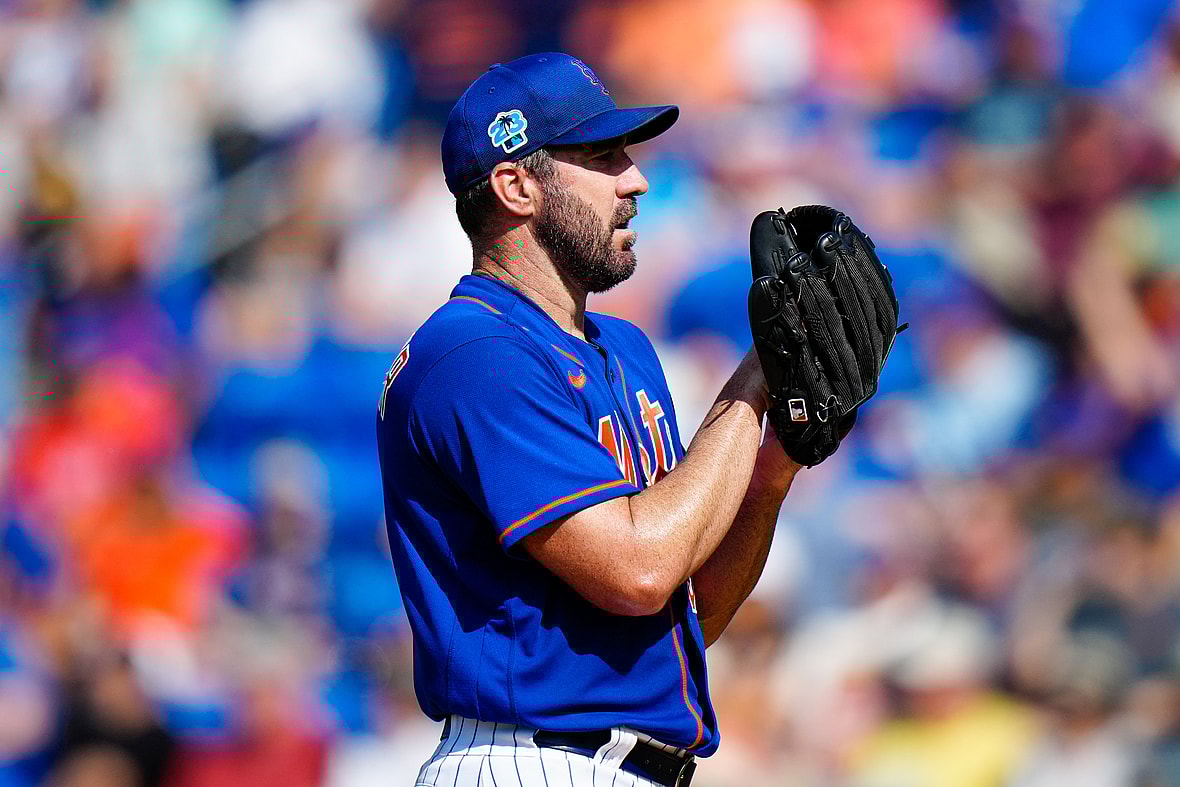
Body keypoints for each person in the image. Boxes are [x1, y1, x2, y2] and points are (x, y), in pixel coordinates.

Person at [375, 52, 800, 787]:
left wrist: (768, 475)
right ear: (515, 185)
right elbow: (638, 569)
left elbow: (678, 617)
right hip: (525, 759)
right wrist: (755, 379)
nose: (635, 178)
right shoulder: (474, 351)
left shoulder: (626, 350)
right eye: (602, 156)